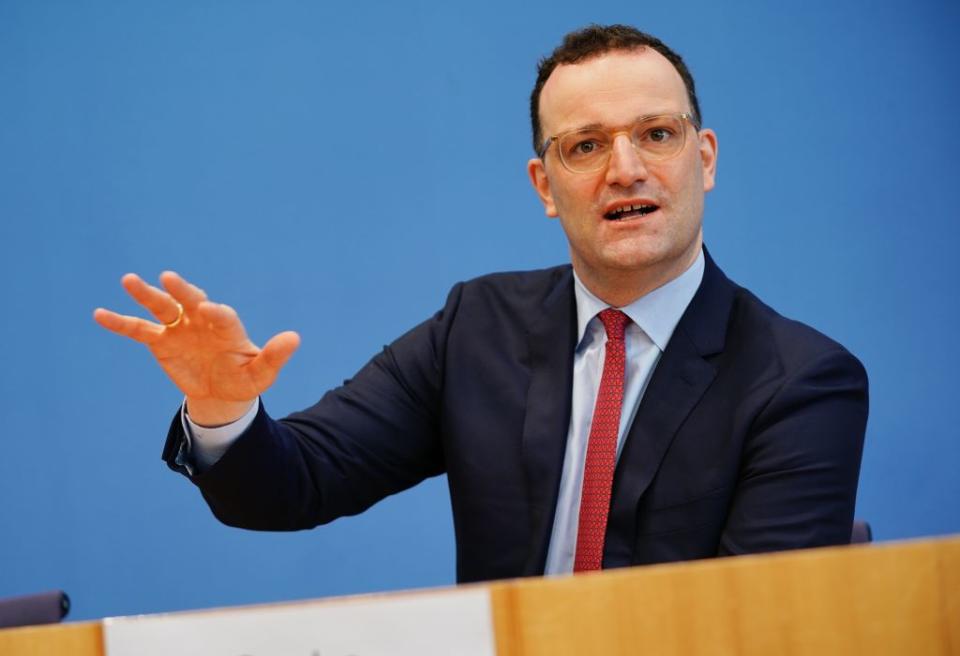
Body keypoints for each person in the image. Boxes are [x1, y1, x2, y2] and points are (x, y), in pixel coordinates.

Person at [94, 25, 868, 583]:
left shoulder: (799, 379)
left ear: (703, 162)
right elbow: (295, 483)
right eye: (586, 146)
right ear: (544, 186)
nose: (626, 169)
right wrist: (222, 409)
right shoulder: (478, 329)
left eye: (656, 135)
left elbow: (762, 629)